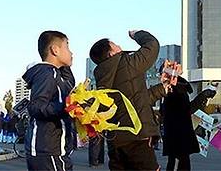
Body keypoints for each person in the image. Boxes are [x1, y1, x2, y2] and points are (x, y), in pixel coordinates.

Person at [89, 30, 169, 171]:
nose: (120, 46)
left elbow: (137, 100)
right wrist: (137, 34)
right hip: (137, 139)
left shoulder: (102, 78)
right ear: (111, 54)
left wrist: (162, 89)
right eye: (115, 46)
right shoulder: (127, 63)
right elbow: (152, 45)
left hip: (116, 143)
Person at [24, 30, 75, 171]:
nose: (71, 52)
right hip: (47, 149)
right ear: (55, 50)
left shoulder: (57, 75)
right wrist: (66, 107)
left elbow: (69, 85)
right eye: (67, 47)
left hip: (55, 148)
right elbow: (36, 106)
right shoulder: (46, 73)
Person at [160, 75, 199, 171]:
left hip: (175, 136)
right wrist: (202, 98)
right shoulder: (178, 95)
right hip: (180, 136)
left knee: (176, 162)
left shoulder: (169, 95)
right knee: (180, 163)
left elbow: (163, 112)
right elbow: (188, 109)